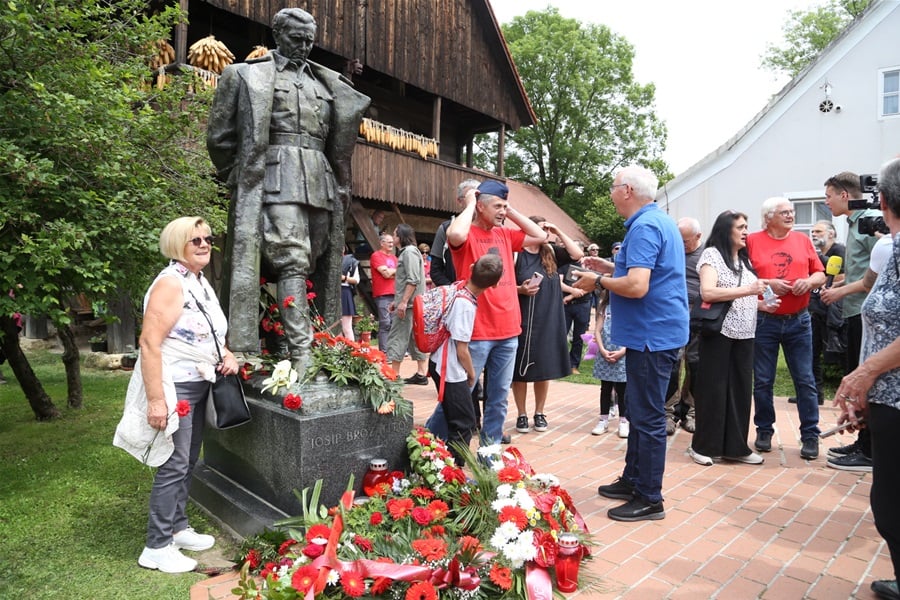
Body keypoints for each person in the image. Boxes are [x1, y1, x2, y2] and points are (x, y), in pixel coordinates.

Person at [206, 7, 370, 374]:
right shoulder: (245, 76)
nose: (303, 46)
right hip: (274, 179)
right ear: (277, 35)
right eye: (296, 39)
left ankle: (295, 341)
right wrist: (243, 178)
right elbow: (219, 137)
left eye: (309, 40)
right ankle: (303, 353)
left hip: (319, 180)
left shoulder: (327, 84)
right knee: (290, 260)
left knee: (314, 264)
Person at [113, 217, 239, 573]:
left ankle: (178, 527)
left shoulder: (198, 281)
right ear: (176, 245)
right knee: (174, 462)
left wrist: (226, 353)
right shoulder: (171, 284)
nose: (203, 244)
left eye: (207, 239)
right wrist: (156, 400)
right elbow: (149, 344)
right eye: (193, 240)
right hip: (177, 385)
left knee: (188, 460)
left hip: (199, 383)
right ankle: (156, 545)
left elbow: (210, 334)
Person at [573, 165, 689, 522]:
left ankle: (650, 497)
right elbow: (648, 274)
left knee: (647, 415)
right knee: (639, 411)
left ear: (627, 190)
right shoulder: (657, 221)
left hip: (651, 336)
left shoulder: (644, 227)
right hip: (656, 332)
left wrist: (598, 281)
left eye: (612, 187)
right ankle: (633, 480)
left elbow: (638, 285)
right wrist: (609, 267)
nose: (610, 193)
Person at [425, 179, 548, 446]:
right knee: (460, 392)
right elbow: (454, 236)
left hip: (509, 329)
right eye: (497, 206)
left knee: (499, 395)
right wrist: (470, 203)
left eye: (505, 205)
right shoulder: (466, 234)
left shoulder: (504, 233)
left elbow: (541, 235)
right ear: (480, 206)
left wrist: (510, 211)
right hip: (477, 330)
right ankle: (430, 440)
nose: (503, 211)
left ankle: (489, 450)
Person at [832, 157, 900, 600]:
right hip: (888, 399)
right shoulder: (893, 248)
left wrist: (863, 374)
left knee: (892, 505)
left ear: (883, 200)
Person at [746, 197, 825, 460]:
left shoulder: (802, 240)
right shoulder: (753, 240)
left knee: (805, 379)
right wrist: (769, 282)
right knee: (764, 379)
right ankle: (764, 430)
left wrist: (808, 281)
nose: (791, 216)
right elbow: (742, 275)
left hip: (799, 320)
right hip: (765, 320)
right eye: (785, 212)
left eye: (791, 212)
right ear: (769, 217)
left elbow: (820, 274)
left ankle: (810, 435)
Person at [687, 211, 766, 466]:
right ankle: (702, 446)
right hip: (719, 333)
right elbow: (708, 292)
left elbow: (743, 295)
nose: (746, 231)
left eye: (747, 226)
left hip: (745, 333)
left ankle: (736, 447)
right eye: (741, 227)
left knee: (741, 391)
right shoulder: (712, 255)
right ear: (725, 230)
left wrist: (763, 305)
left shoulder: (743, 259)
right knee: (714, 390)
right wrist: (749, 290)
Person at [819, 172, 882, 472]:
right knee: (855, 376)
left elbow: (878, 272)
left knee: (863, 382)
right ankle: (863, 443)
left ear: (844, 195)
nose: (826, 202)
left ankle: (870, 451)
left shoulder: (870, 222)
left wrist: (840, 290)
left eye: (829, 196)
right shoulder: (855, 223)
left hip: (864, 312)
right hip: (855, 312)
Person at [428, 254, 504, 466]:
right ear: (496, 284)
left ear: (471, 268)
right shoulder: (465, 305)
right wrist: (472, 374)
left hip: (441, 362)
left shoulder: (459, 287)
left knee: (458, 419)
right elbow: (462, 350)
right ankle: (453, 472)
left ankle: (442, 464)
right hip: (449, 368)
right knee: (463, 423)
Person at [512, 217, 583, 434]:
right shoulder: (516, 253)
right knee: (519, 369)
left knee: (544, 368)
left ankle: (539, 412)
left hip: (549, 319)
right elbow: (502, 285)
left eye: (545, 230)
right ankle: (522, 414)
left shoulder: (550, 252)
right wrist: (520, 290)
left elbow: (577, 255)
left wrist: (558, 228)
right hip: (523, 318)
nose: (543, 233)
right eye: (539, 229)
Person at [665, 217, 703, 434]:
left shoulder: (707, 255)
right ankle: (668, 412)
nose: (682, 245)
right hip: (673, 314)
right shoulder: (671, 252)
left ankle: (690, 412)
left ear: (698, 236)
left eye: (686, 241)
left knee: (696, 364)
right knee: (672, 362)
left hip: (698, 315)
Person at [806, 220, 846, 404]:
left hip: (834, 311)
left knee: (842, 354)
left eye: (819, 231)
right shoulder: (817, 255)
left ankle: (848, 396)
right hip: (816, 310)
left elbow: (844, 277)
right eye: (812, 231)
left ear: (831, 233)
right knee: (812, 353)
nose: (814, 234)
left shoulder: (839, 251)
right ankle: (816, 394)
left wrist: (824, 278)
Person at [386, 224, 429, 384]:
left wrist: (403, 303)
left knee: (397, 336)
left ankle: (393, 375)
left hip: (409, 305)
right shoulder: (410, 252)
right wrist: (396, 302)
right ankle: (421, 373)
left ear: (401, 236)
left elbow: (412, 280)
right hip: (412, 303)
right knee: (414, 338)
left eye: (395, 234)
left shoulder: (409, 252)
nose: (393, 236)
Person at [590, 287, 627, 436]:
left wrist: (623, 351)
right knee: (605, 388)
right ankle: (603, 419)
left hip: (622, 355)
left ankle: (624, 421)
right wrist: (603, 350)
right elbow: (598, 330)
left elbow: (633, 332)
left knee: (622, 390)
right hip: (604, 354)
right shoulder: (604, 308)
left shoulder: (629, 309)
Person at [561, 239, 592, 375]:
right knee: (561, 334)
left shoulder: (587, 265)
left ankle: (574, 365)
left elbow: (590, 285)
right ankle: (561, 364)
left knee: (579, 337)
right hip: (565, 305)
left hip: (582, 304)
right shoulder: (563, 264)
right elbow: (558, 282)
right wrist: (572, 291)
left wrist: (572, 295)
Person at [369, 233, 397, 351]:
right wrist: (394, 272)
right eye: (388, 242)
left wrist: (392, 272)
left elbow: (400, 274)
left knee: (394, 323)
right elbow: (386, 274)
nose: (391, 244)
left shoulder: (395, 258)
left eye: (392, 242)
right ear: (382, 243)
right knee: (385, 322)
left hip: (395, 294)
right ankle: (384, 351)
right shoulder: (376, 256)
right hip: (382, 294)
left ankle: (392, 350)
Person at [340, 245, 360, 340]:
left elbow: (356, 280)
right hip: (331, 293)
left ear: (344, 249)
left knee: (346, 327)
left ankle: (351, 352)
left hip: (344, 292)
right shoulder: (328, 261)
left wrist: (344, 278)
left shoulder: (350, 261)